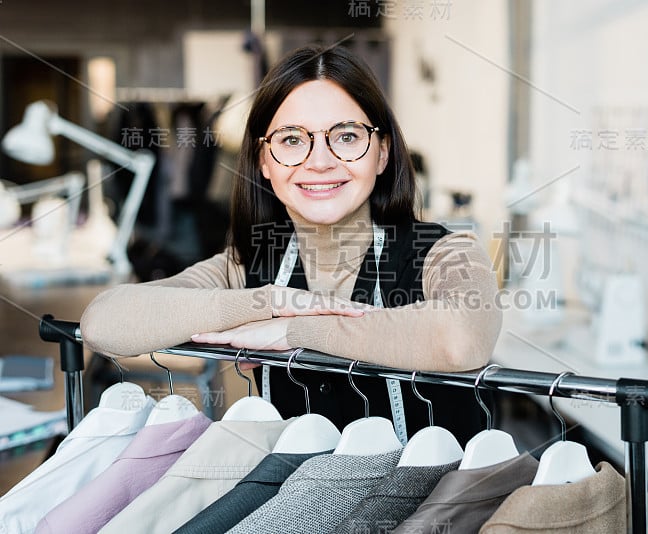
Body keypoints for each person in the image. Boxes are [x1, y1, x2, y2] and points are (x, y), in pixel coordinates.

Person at [80, 44, 502, 445]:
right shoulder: (249, 265)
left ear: (383, 153)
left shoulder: (447, 253)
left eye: (348, 136)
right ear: (264, 161)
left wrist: (293, 330)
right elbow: (103, 323)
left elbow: (463, 337)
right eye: (292, 140)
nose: (319, 161)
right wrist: (274, 302)